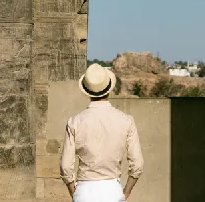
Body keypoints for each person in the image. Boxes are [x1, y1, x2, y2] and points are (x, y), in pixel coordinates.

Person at [60, 64, 144, 202]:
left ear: (87, 91)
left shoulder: (74, 122)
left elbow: (65, 166)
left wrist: (74, 192)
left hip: (84, 191)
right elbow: (138, 164)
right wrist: (126, 192)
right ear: (109, 89)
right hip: (113, 191)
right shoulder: (126, 121)